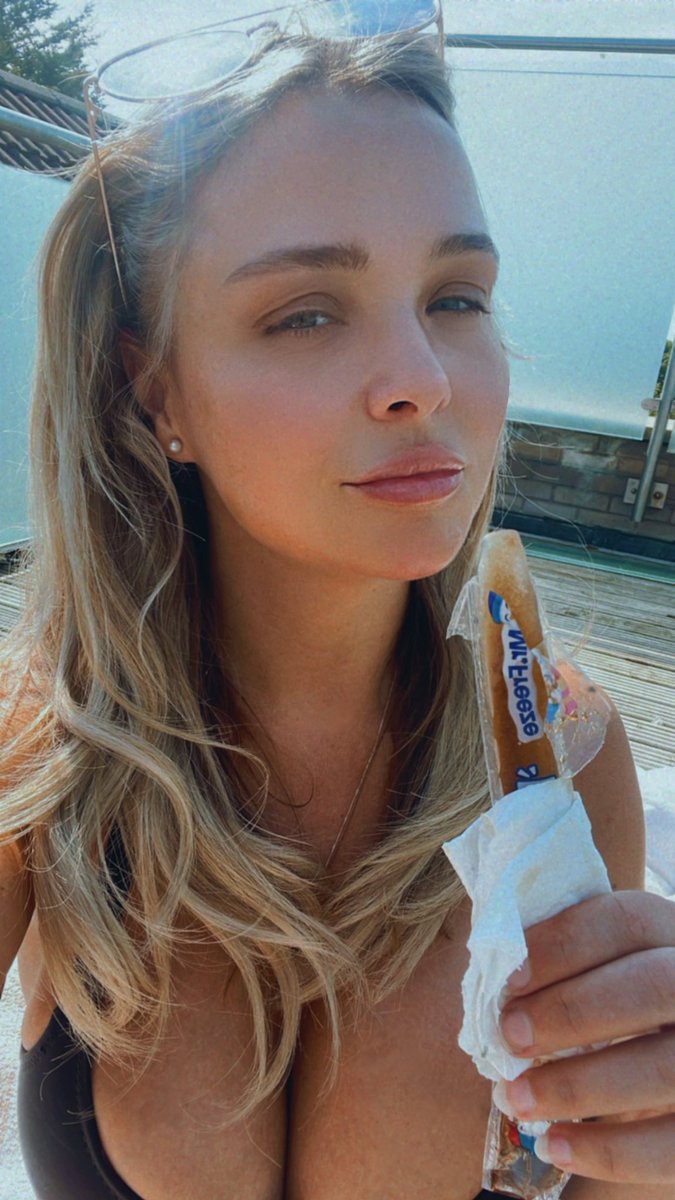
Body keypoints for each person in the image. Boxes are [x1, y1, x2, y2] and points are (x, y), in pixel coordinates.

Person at [0, 9, 673, 1199]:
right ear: (154, 388)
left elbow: (592, 1178)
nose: (424, 378)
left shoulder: (568, 758)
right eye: (305, 311)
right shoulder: (43, 757)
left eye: (457, 297)